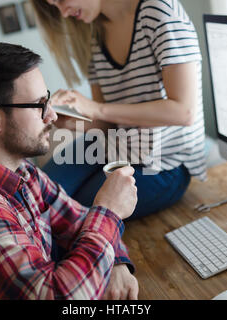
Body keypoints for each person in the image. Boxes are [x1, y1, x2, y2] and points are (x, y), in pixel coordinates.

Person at [0, 42, 138, 300]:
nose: (51, 116)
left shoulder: (24, 172)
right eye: (39, 105)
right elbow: (57, 296)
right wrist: (109, 211)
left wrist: (117, 263)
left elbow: (80, 223)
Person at [32, 0, 207, 220]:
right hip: (116, 146)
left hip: (165, 163)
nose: (63, 13)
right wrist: (75, 122)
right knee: (35, 196)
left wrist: (96, 109)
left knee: (68, 216)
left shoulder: (160, 12)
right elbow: (109, 125)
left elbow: (184, 112)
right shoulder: (96, 34)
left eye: (60, 0)